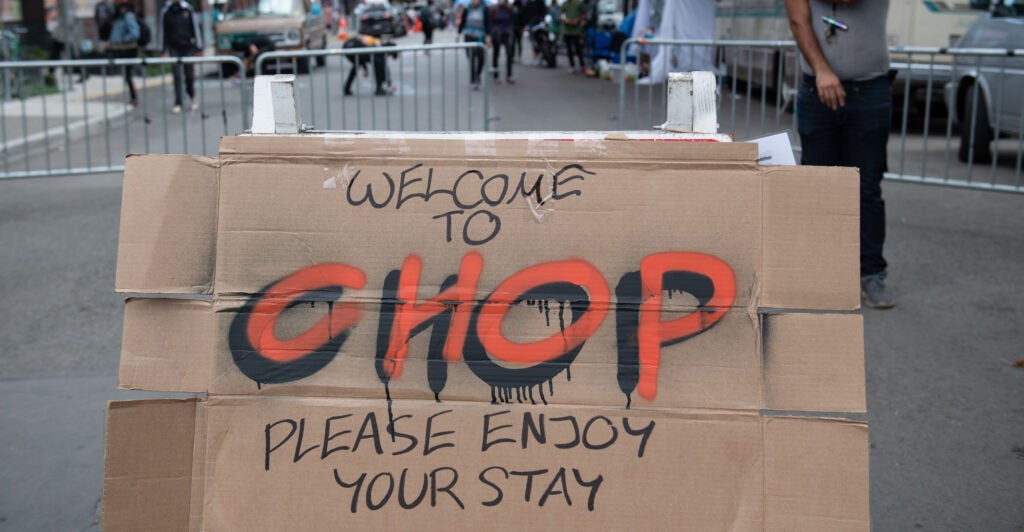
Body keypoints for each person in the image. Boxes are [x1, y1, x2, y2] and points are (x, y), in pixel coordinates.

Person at [785, 0, 895, 309]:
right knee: (818, 189)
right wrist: (822, 70)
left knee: (866, 188)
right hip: (816, 89)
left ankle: (871, 274)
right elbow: (798, 21)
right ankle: (819, 274)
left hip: (869, 89)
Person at [158, 0, 202, 114]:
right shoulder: (166, 11)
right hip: (174, 48)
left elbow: (195, 29)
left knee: (189, 75)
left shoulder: (188, 9)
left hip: (188, 47)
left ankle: (192, 96)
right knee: (177, 76)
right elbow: (163, 32)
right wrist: (163, 50)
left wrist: (198, 47)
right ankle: (178, 102)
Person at [108, 2, 141, 107]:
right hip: (120, 49)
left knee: (128, 75)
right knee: (127, 75)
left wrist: (124, 39)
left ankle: (134, 98)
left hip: (127, 50)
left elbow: (135, 33)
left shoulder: (128, 17)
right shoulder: (119, 17)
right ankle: (133, 97)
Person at [457, 0, 491, 90]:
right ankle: (473, 79)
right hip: (469, 36)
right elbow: (463, 22)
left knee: (481, 58)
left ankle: (478, 75)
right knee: (471, 58)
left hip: (480, 36)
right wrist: (458, 34)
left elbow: (488, 23)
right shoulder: (467, 9)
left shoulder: (485, 9)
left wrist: (488, 36)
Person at [490, 0, 516, 84]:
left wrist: (510, 30)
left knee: (509, 54)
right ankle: (496, 76)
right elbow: (491, 22)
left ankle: (509, 75)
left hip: (507, 34)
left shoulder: (509, 10)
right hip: (497, 34)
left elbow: (512, 21)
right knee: (496, 54)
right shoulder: (495, 10)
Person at [559, 0, 586, 74]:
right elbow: (560, 15)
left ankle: (582, 65)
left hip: (576, 30)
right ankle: (572, 66)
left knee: (578, 48)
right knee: (569, 49)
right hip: (567, 30)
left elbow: (585, 14)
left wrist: (578, 20)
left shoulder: (580, 3)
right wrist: (564, 20)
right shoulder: (565, 4)